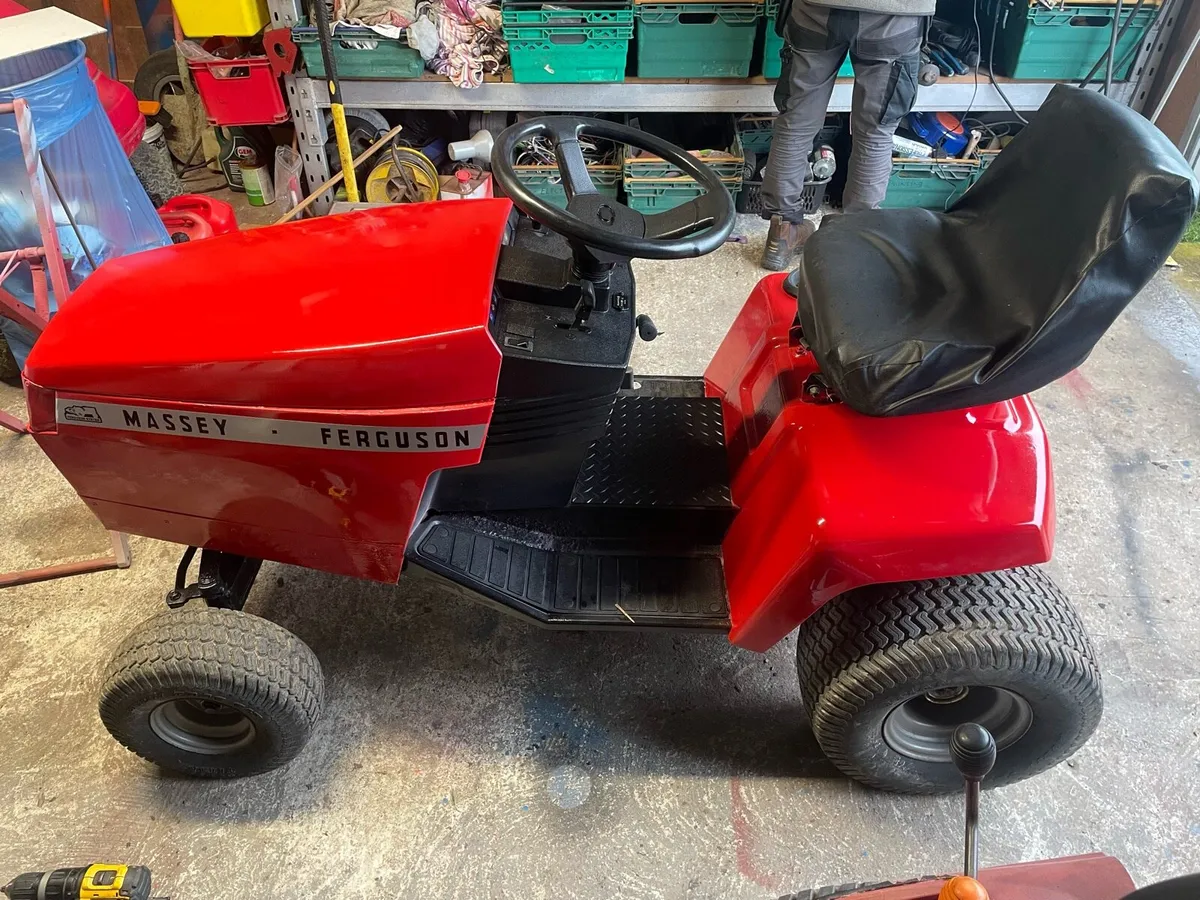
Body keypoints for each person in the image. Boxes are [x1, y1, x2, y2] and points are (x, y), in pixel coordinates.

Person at [759, 0, 932, 270]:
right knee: (875, 131)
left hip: (816, 9)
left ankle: (783, 232)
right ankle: (855, 238)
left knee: (796, 121)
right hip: (894, 16)